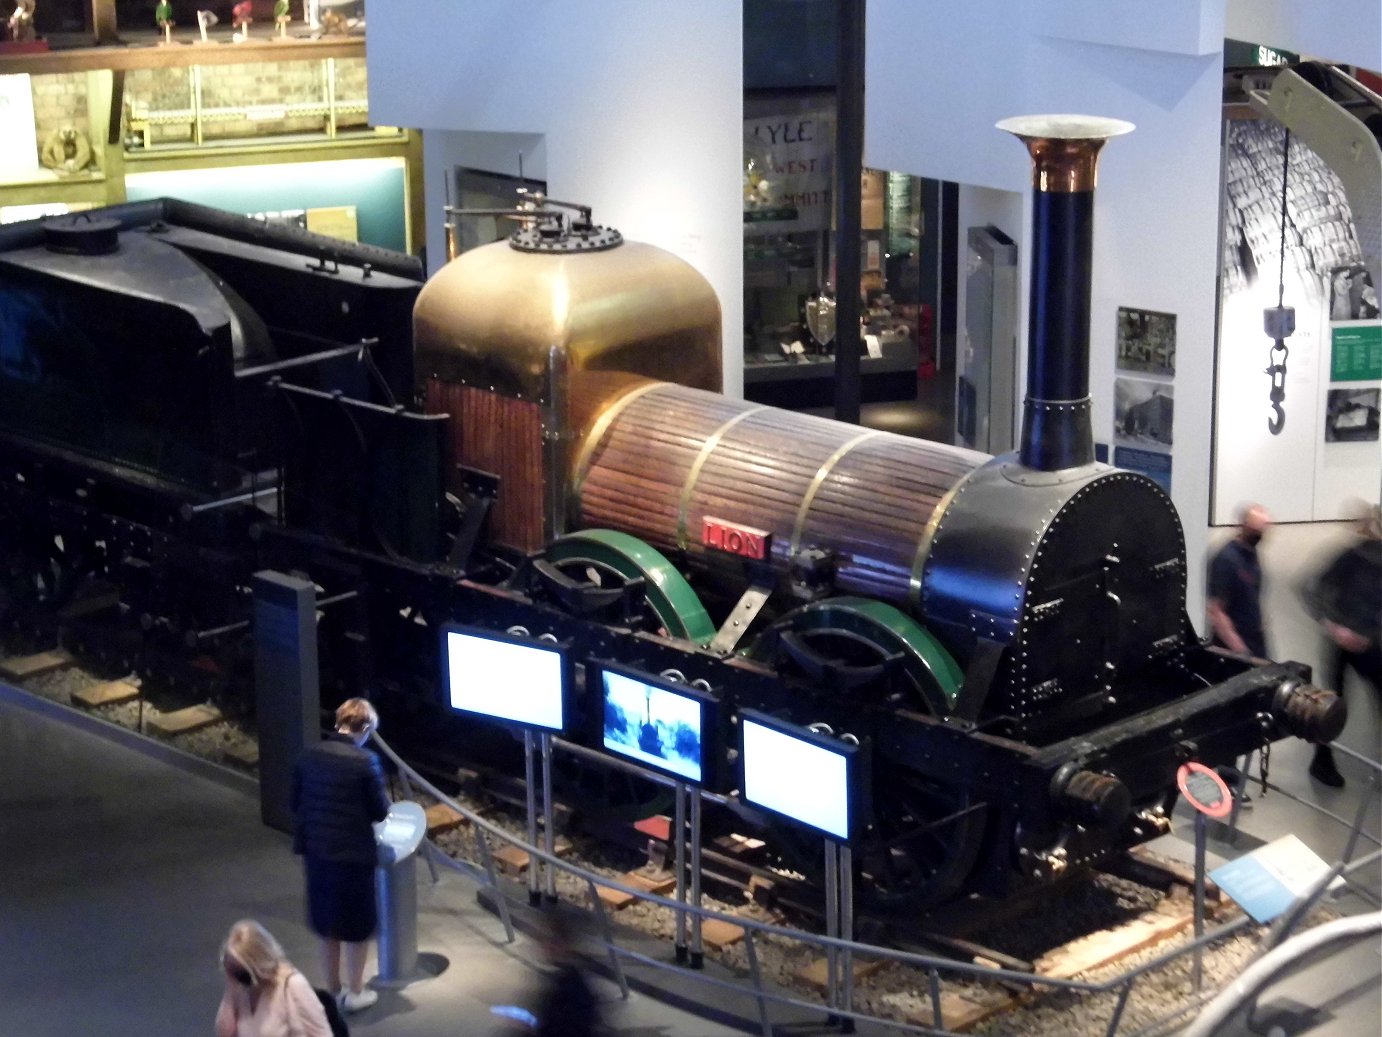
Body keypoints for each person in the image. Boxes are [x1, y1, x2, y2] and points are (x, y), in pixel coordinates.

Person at [291, 698, 390, 1014]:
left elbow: (295, 801)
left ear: (339, 723)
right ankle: (356, 991)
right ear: (365, 728)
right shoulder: (365, 762)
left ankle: (333, 990)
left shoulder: (309, 756)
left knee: (328, 924)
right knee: (358, 927)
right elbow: (379, 811)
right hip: (354, 856)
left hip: (317, 853)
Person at [1300, 503, 1382, 788]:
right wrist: (1334, 626)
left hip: (1371, 644)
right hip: (1341, 642)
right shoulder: (1352, 556)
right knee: (1330, 705)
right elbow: (1309, 586)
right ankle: (1322, 761)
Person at [215, 919, 332, 1037]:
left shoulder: (293, 985)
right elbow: (224, 1034)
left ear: (258, 963)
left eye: (240, 969)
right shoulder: (241, 988)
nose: (237, 975)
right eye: (231, 968)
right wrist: (230, 989)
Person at [1207, 503, 1272, 659]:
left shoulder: (1251, 552)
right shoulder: (1226, 559)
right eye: (1257, 529)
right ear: (1245, 526)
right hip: (1234, 647)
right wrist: (1240, 651)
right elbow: (1217, 611)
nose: (1261, 534)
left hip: (1255, 639)